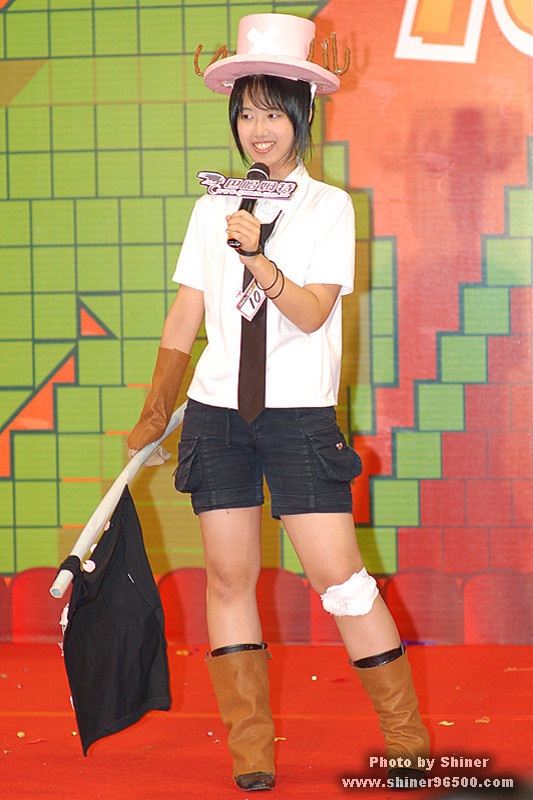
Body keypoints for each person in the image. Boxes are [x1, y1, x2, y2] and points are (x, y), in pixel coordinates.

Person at [128, 12, 430, 792]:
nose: (257, 130)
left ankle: (405, 739)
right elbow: (187, 313)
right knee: (228, 578)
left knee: (341, 579)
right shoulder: (210, 210)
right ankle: (251, 750)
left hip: (297, 416)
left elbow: (312, 311)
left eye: (272, 113)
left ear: (302, 113)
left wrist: (258, 256)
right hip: (216, 414)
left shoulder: (329, 207)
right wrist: (157, 408)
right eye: (245, 114)